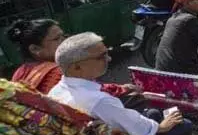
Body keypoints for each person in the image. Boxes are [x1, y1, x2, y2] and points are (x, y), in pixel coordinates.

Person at [49, 32, 192, 135]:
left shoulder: (57, 90)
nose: (109, 58)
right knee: (184, 125)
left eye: (107, 53)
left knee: (153, 113)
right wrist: (161, 127)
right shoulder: (98, 101)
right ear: (77, 67)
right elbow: (135, 126)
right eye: (102, 56)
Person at [8, 19, 140, 100]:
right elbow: (91, 94)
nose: (65, 41)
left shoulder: (20, 72)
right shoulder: (58, 72)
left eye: (63, 36)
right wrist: (123, 90)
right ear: (35, 49)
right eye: (57, 39)